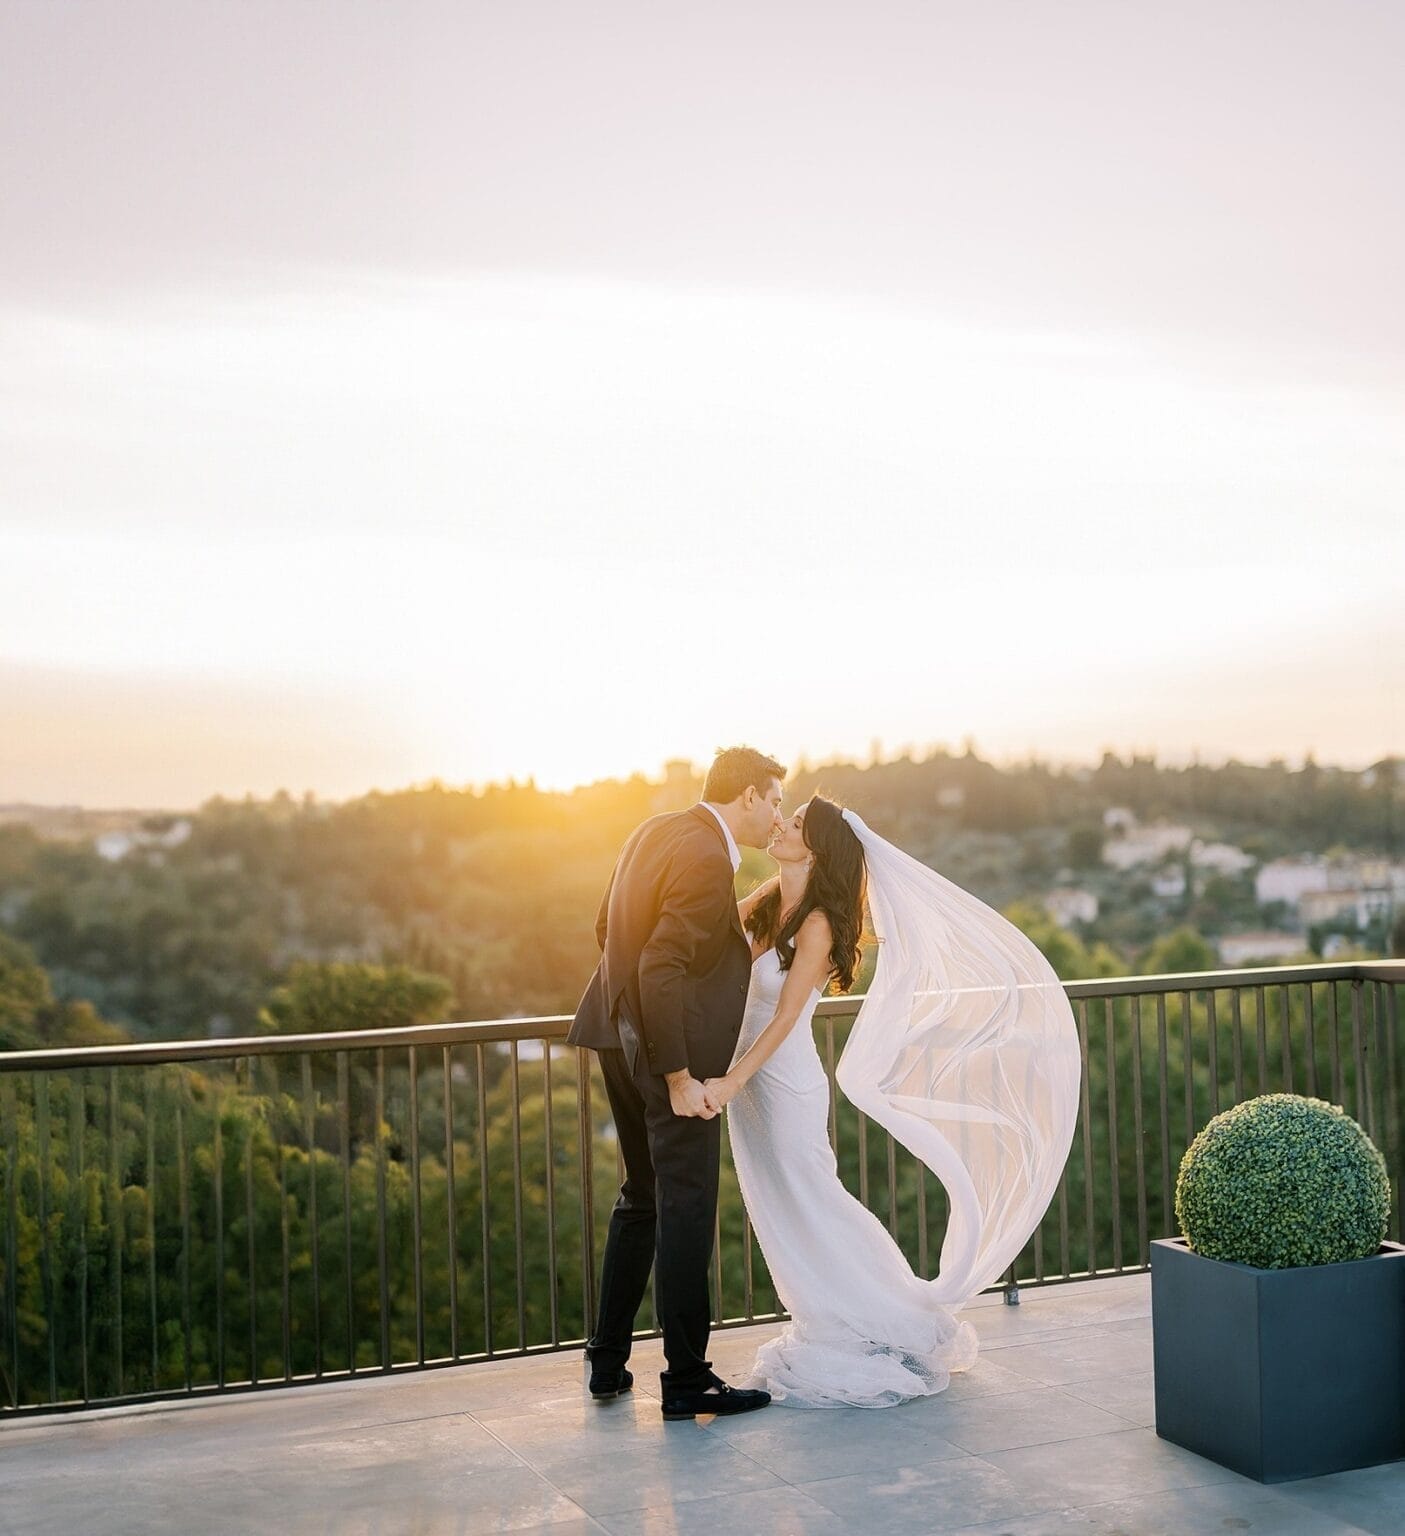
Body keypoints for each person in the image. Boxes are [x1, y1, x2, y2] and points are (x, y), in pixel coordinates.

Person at [703, 795, 1081, 1407]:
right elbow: (717, 952)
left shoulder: (820, 923)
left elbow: (786, 1017)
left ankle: (889, 1317)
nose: (780, 824)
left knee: (816, 1200)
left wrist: (730, 1083)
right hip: (748, 1087)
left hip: (781, 1080)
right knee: (778, 1207)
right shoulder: (768, 901)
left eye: (795, 824)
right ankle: (828, 1317)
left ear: (818, 848)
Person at [567, 745, 785, 1420]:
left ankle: (607, 1361)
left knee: (643, 1197)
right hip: (665, 1054)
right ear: (745, 795)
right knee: (686, 1209)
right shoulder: (704, 854)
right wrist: (680, 1075)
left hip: (612, 1031)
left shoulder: (656, 829)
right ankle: (687, 1379)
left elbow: (609, 929)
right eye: (774, 799)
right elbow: (661, 961)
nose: (776, 812)